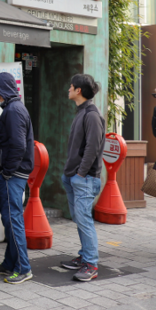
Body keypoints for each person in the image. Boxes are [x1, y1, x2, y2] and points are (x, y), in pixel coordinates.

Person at [0, 72, 34, 285]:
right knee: (10, 220)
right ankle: (9, 263)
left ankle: (23, 268)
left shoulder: (13, 110)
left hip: (12, 175)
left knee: (13, 221)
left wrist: (7, 170)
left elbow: (17, 145)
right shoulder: (14, 108)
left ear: (2, 88)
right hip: (14, 173)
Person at [60, 74, 105, 282]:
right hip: (74, 177)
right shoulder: (81, 112)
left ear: (78, 90)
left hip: (84, 179)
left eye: (71, 86)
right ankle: (84, 257)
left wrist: (80, 173)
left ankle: (91, 264)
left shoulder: (92, 115)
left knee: (84, 220)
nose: (68, 89)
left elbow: (93, 148)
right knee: (80, 219)